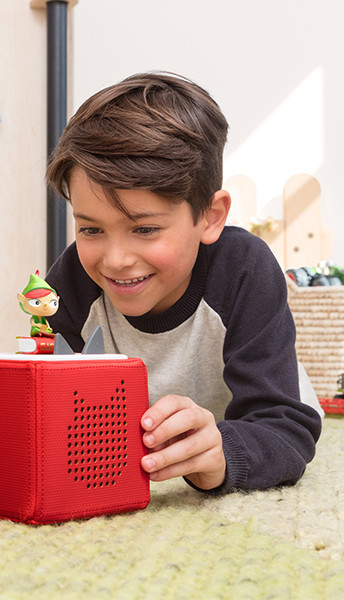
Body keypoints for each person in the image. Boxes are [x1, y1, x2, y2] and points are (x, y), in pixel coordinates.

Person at [45, 72, 323, 494]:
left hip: (255, 420)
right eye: (90, 230)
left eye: (144, 230)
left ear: (210, 217)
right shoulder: (68, 285)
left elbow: (285, 428)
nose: (115, 261)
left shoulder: (244, 271)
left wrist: (223, 455)